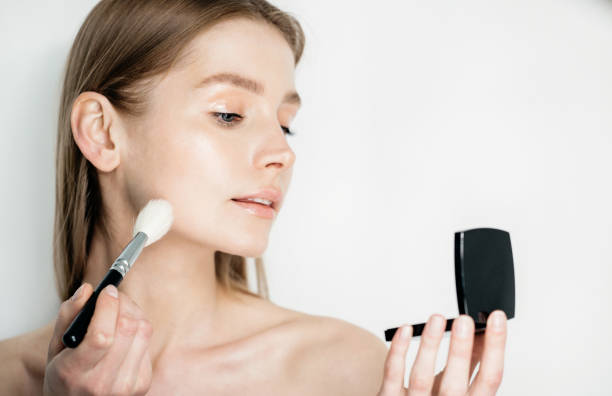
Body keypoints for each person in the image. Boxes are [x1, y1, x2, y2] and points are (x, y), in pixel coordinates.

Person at [0, 1, 508, 395]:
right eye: (228, 114)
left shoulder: (347, 370)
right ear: (103, 134)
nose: (281, 152)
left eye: (286, 124)